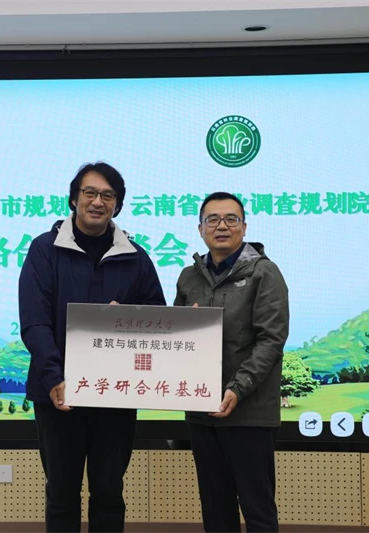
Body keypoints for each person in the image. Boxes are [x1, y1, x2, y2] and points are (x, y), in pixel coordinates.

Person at [19, 161, 166, 532]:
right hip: (58, 394)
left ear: (117, 204)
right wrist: (54, 376)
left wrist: (128, 317)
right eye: (90, 193)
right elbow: (35, 321)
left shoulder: (136, 256)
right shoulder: (44, 250)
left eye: (108, 195)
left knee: (109, 493)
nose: (98, 202)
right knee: (61, 494)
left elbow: (157, 319)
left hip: (115, 395)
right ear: (74, 199)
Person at [174, 192, 289, 533]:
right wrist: (185, 325)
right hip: (201, 412)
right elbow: (173, 338)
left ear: (244, 226)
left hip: (249, 412)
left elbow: (271, 340)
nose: (221, 226)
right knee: (216, 511)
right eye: (212, 219)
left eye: (231, 219)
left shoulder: (264, 273)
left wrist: (237, 388)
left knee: (258, 510)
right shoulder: (188, 277)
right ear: (200, 228)